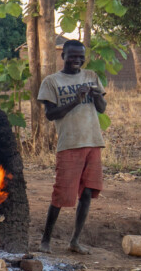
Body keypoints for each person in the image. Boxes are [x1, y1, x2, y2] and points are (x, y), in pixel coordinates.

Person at [36, 39, 106, 254]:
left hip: (93, 141)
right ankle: (45, 241)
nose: (77, 59)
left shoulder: (92, 77)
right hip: (69, 144)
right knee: (61, 194)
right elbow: (50, 115)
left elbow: (102, 109)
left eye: (81, 56)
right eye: (72, 55)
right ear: (63, 56)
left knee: (86, 193)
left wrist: (95, 97)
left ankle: (74, 241)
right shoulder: (51, 82)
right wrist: (76, 100)